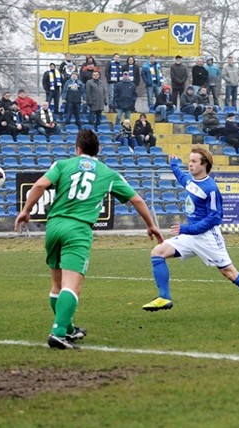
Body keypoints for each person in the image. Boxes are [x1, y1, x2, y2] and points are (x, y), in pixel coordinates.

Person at [15, 130, 162, 349]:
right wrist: (151, 225)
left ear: (78, 149)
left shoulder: (62, 165)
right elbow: (137, 199)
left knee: (57, 285)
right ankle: (58, 333)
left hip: (54, 226)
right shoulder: (108, 173)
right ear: (99, 150)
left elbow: (38, 185)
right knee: (72, 286)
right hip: (78, 229)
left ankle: (69, 328)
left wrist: (26, 210)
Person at [142, 148, 239, 319]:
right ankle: (164, 297)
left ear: (204, 164)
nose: (190, 164)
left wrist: (187, 229)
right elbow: (183, 179)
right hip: (190, 236)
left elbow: (214, 218)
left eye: (194, 161)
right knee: (158, 252)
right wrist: (174, 165)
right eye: (189, 160)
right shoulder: (191, 180)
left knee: (230, 273)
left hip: (208, 237)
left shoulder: (211, 188)